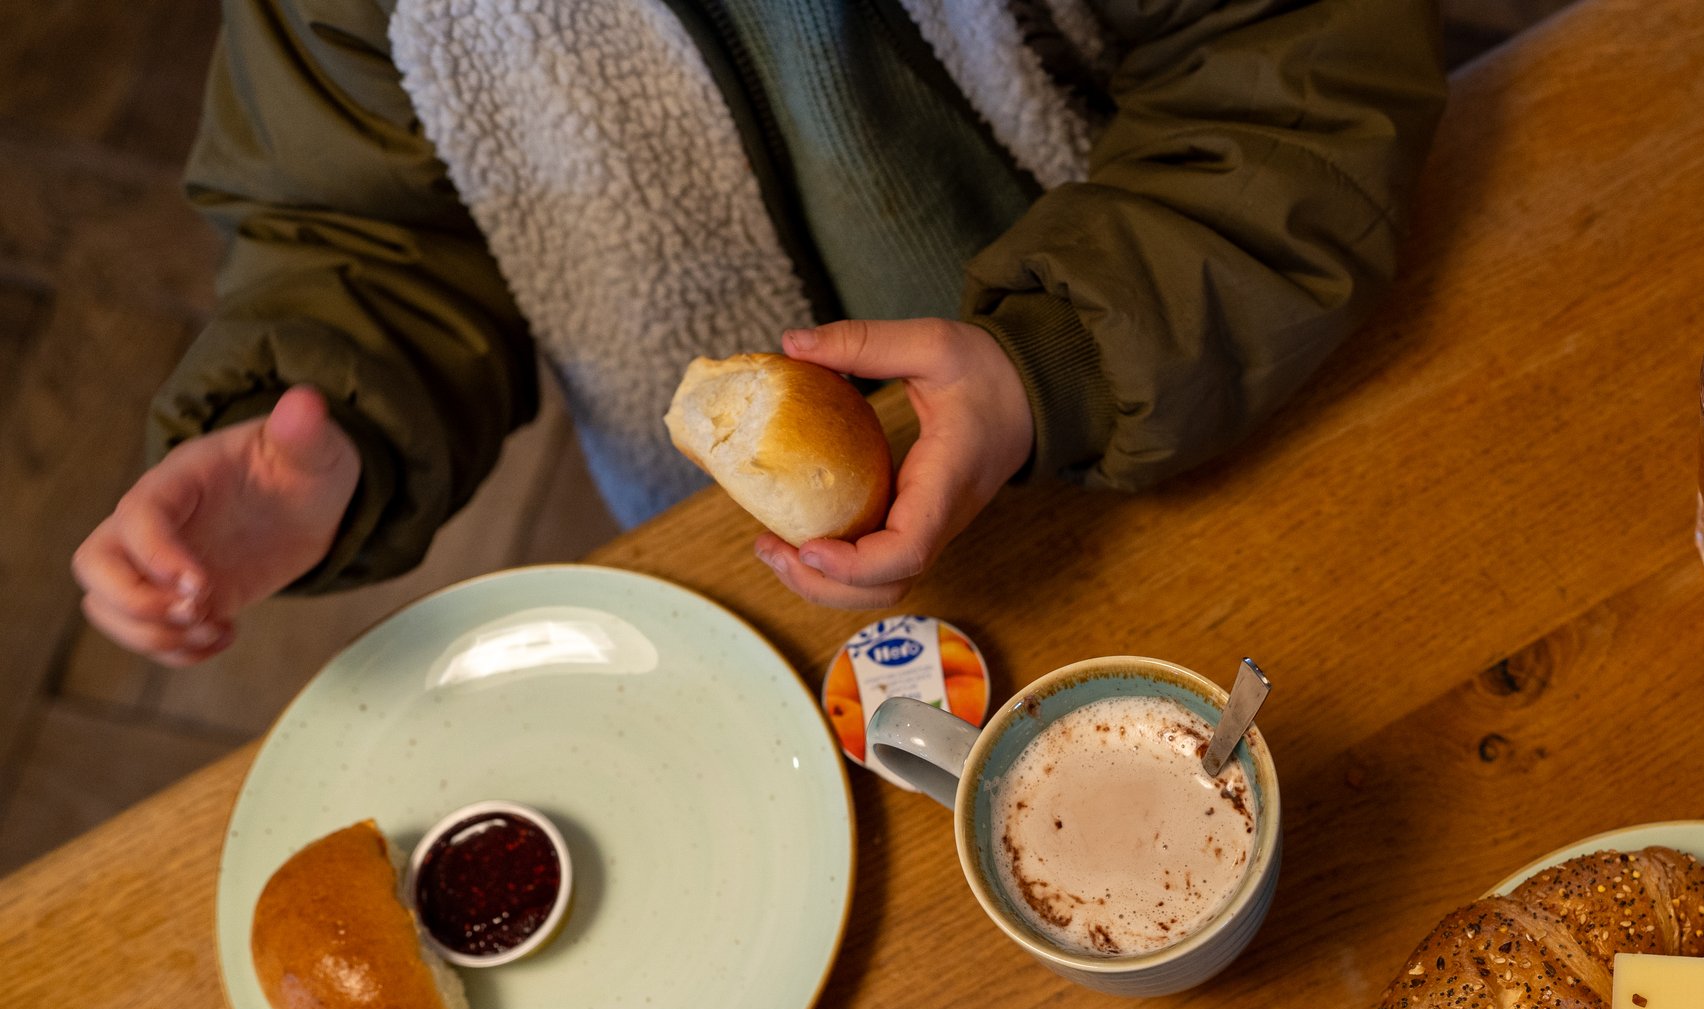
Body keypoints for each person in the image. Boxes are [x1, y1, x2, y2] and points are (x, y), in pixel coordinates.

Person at [72, 0, 1445, 665]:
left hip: (1201, 383)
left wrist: (1054, 365)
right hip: (757, 575)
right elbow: (365, 232)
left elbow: (1295, 76)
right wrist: (328, 420)